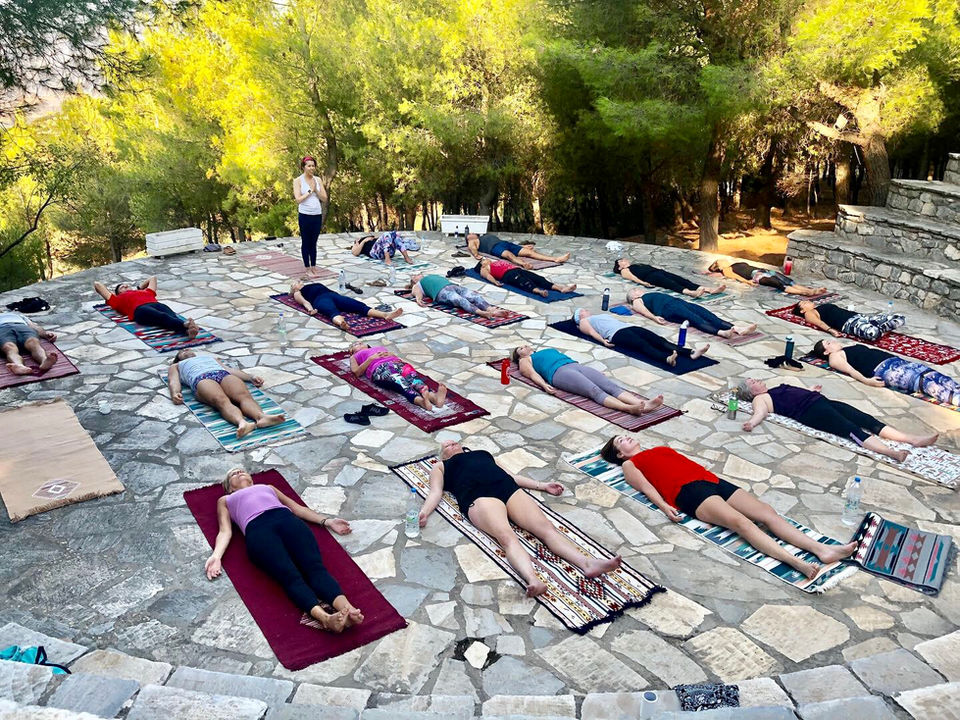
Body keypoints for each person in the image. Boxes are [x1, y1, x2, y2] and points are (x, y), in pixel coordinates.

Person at [600, 437, 856, 580]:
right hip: (688, 493)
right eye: (620, 441)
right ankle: (795, 562)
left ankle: (822, 550)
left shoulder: (659, 448)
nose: (627, 437)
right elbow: (646, 487)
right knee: (741, 523)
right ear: (620, 454)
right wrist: (665, 507)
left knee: (767, 513)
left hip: (711, 480)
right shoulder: (630, 465)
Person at [420, 440, 622, 597]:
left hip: (506, 487)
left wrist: (541, 486)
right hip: (478, 496)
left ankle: (587, 563)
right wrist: (425, 512)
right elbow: (435, 491)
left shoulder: (482, 454)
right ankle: (533, 580)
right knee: (507, 538)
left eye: (454, 442)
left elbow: (509, 474)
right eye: (446, 445)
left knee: (546, 528)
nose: (451, 444)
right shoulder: (441, 466)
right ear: (442, 454)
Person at [205, 468, 363, 632]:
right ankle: (325, 618)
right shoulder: (226, 499)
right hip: (259, 531)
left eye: (241, 471)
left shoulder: (268, 487)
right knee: (290, 577)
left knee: (315, 568)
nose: (238, 472)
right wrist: (216, 556)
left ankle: (349, 610)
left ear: (252, 478)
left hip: (288, 521)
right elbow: (225, 531)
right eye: (233, 474)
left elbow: (297, 508)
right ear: (229, 488)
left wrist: (327, 521)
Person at [736, 378, 939, 462]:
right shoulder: (760, 399)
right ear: (750, 392)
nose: (757, 380)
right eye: (752, 382)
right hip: (811, 412)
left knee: (865, 418)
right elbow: (760, 412)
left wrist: (811, 391)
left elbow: (794, 394)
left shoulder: (775, 388)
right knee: (850, 429)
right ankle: (890, 452)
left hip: (821, 401)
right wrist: (752, 423)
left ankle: (912, 439)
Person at [511, 344, 664, 416]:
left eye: (524, 345)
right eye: (520, 349)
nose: (524, 347)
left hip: (574, 365)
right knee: (594, 391)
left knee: (609, 385)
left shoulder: (545, 350)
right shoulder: (525, 360)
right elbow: (531, 374)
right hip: (559, 373)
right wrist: (544, 385)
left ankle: (642, 404)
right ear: (520, 356)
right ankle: (627, 408)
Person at [168, 350, 286, 439]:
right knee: (221, 400)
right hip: (201, 378)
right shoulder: (176, 365)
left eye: (187, 349)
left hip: (222, 374)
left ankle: (261, 417)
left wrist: (251, 377)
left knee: (244, 395)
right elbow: (173, 380)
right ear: (178, 358)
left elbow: (229, 369)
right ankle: (242, 423)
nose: (185, 351)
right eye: (182, 352)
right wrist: (175, 392)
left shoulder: (210, 358)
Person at [811, 340, 960, 405]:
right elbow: (851, 371)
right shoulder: (834, 357)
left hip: (897, 362)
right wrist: (867, 381)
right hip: (886, 370)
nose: (832, 342)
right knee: (926, 384)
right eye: (828, 343)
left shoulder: (845, 349)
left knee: (937, 377)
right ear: (825, 351)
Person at [573, 308, 709, 367]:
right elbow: (591, 332)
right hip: (616, 334)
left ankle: (690, 353)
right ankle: (666, 359)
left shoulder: (595, 316)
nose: (587, 310)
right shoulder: (584, 321)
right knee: (643, 345)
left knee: (660, 341)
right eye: (584, 310)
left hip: (627, 327)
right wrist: (603, 341)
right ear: (580, 315)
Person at [348, 341, 448, 411]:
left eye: (361, 342)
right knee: (402, 384)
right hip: (380, 369)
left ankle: (434, 398)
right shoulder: (354, 356)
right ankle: (422, 402)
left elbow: (394, 355)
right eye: (355, 344)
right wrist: (370, 359)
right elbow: (356, 372)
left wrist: (390, 354)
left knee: (415, 380)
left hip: (396, 363)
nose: (359, 344)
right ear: (352, 351)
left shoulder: (377, 348)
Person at [625, 288, 757, 338]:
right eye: (635, 290)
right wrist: (654, 318)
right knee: (694, 318)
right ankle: (721, 332)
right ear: (633, 296)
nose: (638, 290)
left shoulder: (647, 295)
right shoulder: (637, 300)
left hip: (678, 302)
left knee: (706, 314)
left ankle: (736, 328)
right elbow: (642, 310)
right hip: (668, 308)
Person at [94, 276, 199, 338]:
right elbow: (97, 284)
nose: (126, 286)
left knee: (171, 316)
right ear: (118, 293)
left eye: (127, 285)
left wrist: (139, 288)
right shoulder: (117, 300)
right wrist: (111, 294)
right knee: (161, 316)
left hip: (156, 304)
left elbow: (153, 278)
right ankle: (185, 325)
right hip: (140, 310)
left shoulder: (146, 292)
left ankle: (187, 331)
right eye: (122, 287)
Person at [289, 279, 402, 331]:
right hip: (320, 299)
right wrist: (310, 310)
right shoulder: (297, 293)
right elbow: (305, 302)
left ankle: (384, 315)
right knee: (331, 310)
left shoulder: (312, 285)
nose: (298, 282)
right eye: (295, 283)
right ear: (293, 288)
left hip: (333, 295)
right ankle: (341, 323)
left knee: (358, 305)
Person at [409, 273, 511, 320]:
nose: (418, 274)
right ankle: (482, 313)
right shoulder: (418, 284)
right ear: (414, 280)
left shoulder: (429, 276)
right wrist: (418, 300)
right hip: (441, 292)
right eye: (415, 275)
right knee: (460, 300)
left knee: (475, 296)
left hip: (453, 286)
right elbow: (416, 292)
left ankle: (492, 310)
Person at [791, 300, 906, 341]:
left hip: (858, 316)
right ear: (802, 311)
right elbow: (819, 323)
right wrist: (831, 330)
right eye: (804, 303)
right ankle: (880, 329)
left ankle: (881, 327)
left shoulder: (819, 307)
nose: (807, 302)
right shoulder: (809, 313)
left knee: (900, 318)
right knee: (872, 333)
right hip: (848, 324)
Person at [707, 259, 826, 296]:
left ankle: (808, 289)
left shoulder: (734, 264)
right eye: (719, 262)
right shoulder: (726, 270)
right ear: (718, 266)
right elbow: (736, 277)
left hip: (762, 270)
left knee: (786, 280)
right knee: (778, 283)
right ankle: (805, 293)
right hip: (756, 275)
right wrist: (748, 283)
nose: (723, 260)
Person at [613, 258, 724, 297]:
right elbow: (633, 278)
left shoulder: (635, 265)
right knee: (670, 283)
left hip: (657, 271)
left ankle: (709, 290)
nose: (624, 260)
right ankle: (690, 293)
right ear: (619, 267)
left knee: (681, 279)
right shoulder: (624, 271)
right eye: (621, 261)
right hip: (650, 277)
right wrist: (643, 283)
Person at [293, 156, 327, 277]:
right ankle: (307, 268)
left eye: (313, 165)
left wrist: (316, 190)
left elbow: (324, 198)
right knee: (306, 242)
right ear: (303, 167)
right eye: (309, 165)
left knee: (314, 242)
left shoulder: (318, 179)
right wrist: (309, 191)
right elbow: (298, 199)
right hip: (305, 215)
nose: (311, 168)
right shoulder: (298, 181)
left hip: (316, 215)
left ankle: (314, 266)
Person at [474, 258, 576, 297]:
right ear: (482, 264)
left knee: (538, 278)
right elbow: (487, 276)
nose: (486, 259)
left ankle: (561, 288)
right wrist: (495, 282)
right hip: (508, 275)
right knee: (524, 282)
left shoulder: (495, 262)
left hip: (517, 269)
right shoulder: (484, 268)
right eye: (483, 260)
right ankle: (539, 292)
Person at [466, 232, 570, 267]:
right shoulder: (473, 241)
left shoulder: (484, 236)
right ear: (468, 238)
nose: (472, 233)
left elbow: (502, 241)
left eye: (472, 232)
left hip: (504, 243)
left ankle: (555, 259)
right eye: (470, 234)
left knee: (530, 252)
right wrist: (476, 255)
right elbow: (472, 248)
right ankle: (523, 264)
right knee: (509, 255)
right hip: (495, 248)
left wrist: (522, 247)